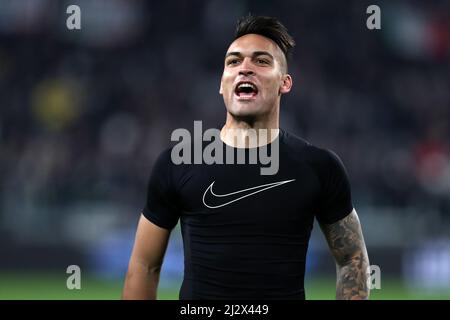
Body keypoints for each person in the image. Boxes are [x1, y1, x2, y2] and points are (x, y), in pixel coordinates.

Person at [122, 15, 370, 300]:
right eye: (233, 61)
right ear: (221, 84)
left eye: (261, 61)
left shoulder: (319, 166)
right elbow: (144, 265)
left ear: (284, 83)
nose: (245, 69)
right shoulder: (178, 163)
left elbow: (352, 258)